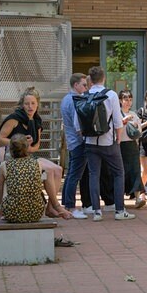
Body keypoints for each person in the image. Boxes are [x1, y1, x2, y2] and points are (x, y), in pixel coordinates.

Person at [0, 87, 72, 220]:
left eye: (33, 103)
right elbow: (0, 139)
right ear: (22, 105)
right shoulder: (14, 119)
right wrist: (19, 142)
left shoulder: (37, 121)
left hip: (28, 153)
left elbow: (36, 146)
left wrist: (28, 146)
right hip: (12, 153)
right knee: (49, 171)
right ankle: (56, 205)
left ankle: (50, 207)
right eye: (26, 104)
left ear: (37, 104)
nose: (30, 107)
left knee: (58, 169)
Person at [74, 66, 135, 222]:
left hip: (90, 143)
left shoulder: (83, 96)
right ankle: (120, 210)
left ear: (90, 80)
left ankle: (96, 212)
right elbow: (117, 122)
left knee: (94, 175)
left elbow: (77, 125)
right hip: (109, 142)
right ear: (104, 78)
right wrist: (118, 139)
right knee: (118, 173)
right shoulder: (111, 95)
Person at [0, 134, 46, 223]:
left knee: (2, 183)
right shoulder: (37, 163)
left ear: (10, 149)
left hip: (12, 212)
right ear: (27, 148)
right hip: (36, 211)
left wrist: (1, 206)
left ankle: (3, 210)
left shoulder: (5, 165)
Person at [60, 73, 89, 219]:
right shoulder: (75, 100)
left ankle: (66, 204)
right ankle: (70, 206)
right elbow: (78, 125)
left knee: (71, 174)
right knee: (74, 175)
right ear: (76, 85)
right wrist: (85, 138)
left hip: (72, 142)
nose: (86, 87)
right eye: (84, 85)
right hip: (78, 142)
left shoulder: (66, 99)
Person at [119, 89, 146, 208]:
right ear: (120, 100)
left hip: (132, 145)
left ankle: (138, 198)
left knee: (135, 171)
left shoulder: (134, 115)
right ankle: (119, 199)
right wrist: (124, 122)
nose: (128, 102)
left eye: (130, 100)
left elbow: (139, 132)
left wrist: (135, 126)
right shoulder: (117, 114)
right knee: (121, 172)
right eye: (125, 99)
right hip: (120, 146)